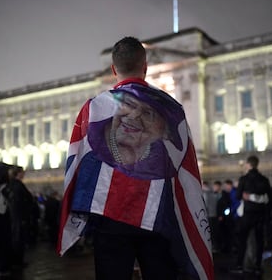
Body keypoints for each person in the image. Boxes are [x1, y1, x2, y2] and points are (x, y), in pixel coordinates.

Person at [57, 37, 214, 280]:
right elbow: (187, 170)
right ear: (145, 66)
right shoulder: (172, 109)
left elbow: (77, 164)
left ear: (113, 70)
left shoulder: (94, 107)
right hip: (159, 216)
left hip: (109, 216)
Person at [231, 155, 270, 275]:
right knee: (259, 241)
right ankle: (257, 266)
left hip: (247, 214)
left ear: (249, 164)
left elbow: (237, 196)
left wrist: (247, 195)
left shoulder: (244, 179)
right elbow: (268, 196)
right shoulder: (264, 179)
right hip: (260, 214)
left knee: (242, 240)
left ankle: (240, 265)